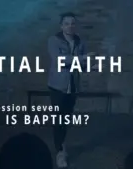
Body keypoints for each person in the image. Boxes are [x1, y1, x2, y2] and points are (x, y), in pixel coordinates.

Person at [47, 12, 98, 168]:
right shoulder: (53, 41)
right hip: (57, 86)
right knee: (58, 120)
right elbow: (60, 61)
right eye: (67, 23)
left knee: (66, 119)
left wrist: (91, 66)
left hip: (73, 86)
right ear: (61, 26)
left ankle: (61, 146)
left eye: (73, 23)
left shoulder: (80, 42)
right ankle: (60, 152)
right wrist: (82, 58)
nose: (70, 26)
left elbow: (80, 65)